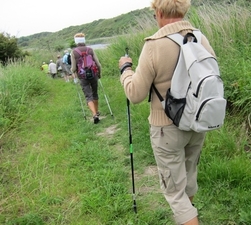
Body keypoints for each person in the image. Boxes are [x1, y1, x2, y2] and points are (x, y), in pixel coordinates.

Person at [118, 0, 216, 224]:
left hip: (166, 128)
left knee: (174, 192)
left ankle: (187, 217)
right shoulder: (200, 38)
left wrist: (125, 70)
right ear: (184, 10)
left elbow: (135, 94)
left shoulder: (154, 45)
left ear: (159, 12)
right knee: (189, 177)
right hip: (197, 122)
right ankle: (188, 214)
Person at [71, 33, 102, 124]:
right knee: (95, 93)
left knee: (88, 96)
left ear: (76, 41)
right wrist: (99, 74)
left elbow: (73, 68)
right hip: (93, 74)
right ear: (84, 40)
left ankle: (94, 114)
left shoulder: (74, 52)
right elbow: (98, 64)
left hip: (82, 76)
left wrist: (74, 75)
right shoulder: (90, 50)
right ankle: (96, 111)